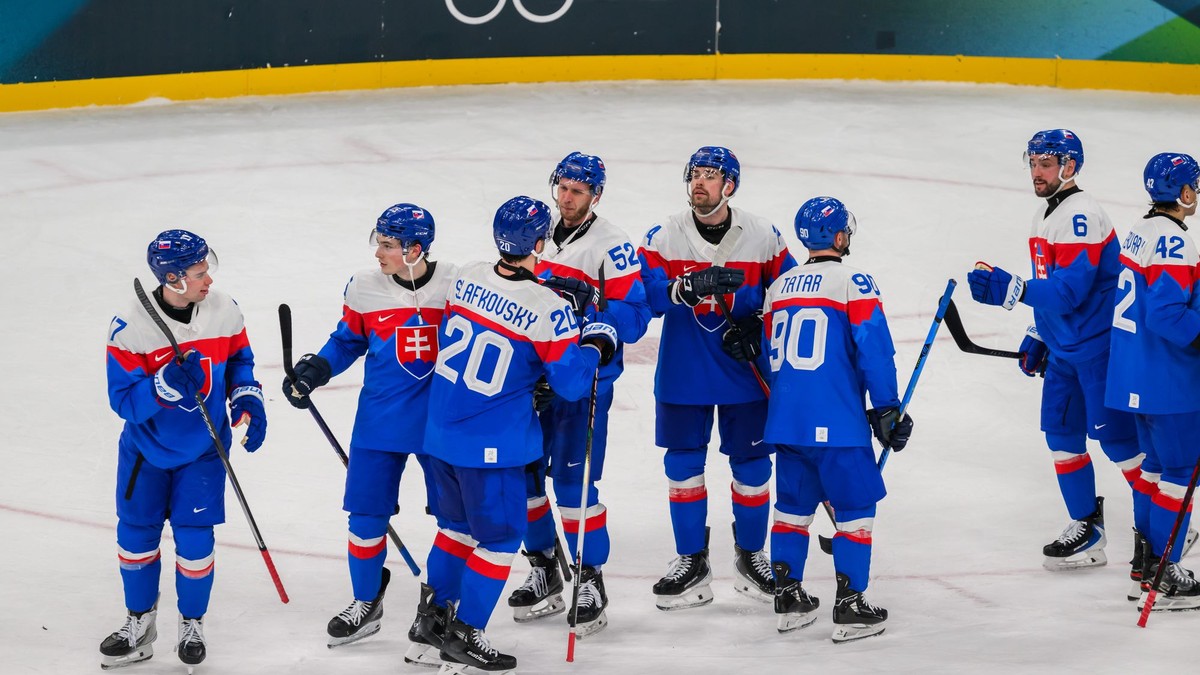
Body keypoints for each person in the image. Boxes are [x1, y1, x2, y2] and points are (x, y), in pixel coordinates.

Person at [406, 196, 619, 672]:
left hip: (439, 434)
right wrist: (596, 343)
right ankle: (465, 636)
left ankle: (429, 624)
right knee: (500, 540)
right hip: (490, 445)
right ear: (541, 242)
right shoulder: (548, 307)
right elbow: (569, 383)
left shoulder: (468, 276)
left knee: (455, 530)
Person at [727, 196, 912, 642]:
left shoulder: (781, 287)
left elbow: (772, 360)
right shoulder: (854, 281)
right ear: (841, 236)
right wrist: (886, 407)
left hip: (786, 423)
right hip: (838, 423)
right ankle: (850, 604)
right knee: (854, 510)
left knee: (792, 509)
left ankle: (788, 597)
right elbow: (874, 348)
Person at [966, 129, 1148, 576]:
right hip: (1066, 348)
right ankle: (1087, 527)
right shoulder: (1047, 214)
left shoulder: (1082, 214)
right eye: (1032, 163)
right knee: (1062, 438)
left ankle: (1168, 526)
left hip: (1100, 348)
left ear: (1069, 167)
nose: (1036, 172)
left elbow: (1069, 292)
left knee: (1120, 443)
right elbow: (1050, 283)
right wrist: (1038, 331)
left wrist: (1014, 290)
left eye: (1046, 163)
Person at [281, 203, 456, 649]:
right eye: (378, 241)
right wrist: (316, 369)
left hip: (441, 423)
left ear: (416, 249)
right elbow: (348, 339)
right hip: (380, 421)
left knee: (453, 519)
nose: (378, 252)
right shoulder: (364, 287)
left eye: (388, 244)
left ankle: (441, 607)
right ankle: (366, 601)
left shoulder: (456, 285)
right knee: (364, 517)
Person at [636, 146, 797, 610]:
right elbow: (643, 298)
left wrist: (759, 324)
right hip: (684, 371)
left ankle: (750, 558)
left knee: (751, 468)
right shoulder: (664, 236)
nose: (699, 184)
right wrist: (681, 289)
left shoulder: (762, 234)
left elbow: (788, 292)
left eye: (710, 176)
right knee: (682, 466)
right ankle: (692, 561)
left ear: (730, 186)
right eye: (695, 176)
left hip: (743, 370)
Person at [101, 230, 268, 670]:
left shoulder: (224, 309)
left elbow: (239, 361)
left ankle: (191, 622)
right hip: (145, 453)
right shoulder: (130, 326)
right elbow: (123, 402)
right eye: (198, 273)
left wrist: (248, 398)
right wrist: (164, 385)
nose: (207, 280)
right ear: (172, 279)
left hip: (205, 449)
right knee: (136, 541)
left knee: (196, 543)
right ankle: (140, 621)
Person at [503, 152, 650, 637]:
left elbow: (636, 317)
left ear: (596, 196)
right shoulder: (534, 235)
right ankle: (544, 568)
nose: (566, 199)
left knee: (572, 486)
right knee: (524, 479)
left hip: (583, 385)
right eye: (562, 188)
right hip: (532, 382)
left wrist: (599, 312)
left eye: (577, 192)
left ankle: (590, 578)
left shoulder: (613, 246)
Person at [1107, 152, 1200, 611]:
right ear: (1183, 193)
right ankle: (1165, 577)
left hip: (1134, 377)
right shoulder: (1175, 242)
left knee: (1155, 471)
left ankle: (1144, 571)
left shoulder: (1140, 231)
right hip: (1169, 381)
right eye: (1194, 187)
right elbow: (1167, 314)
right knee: (1180, 475)